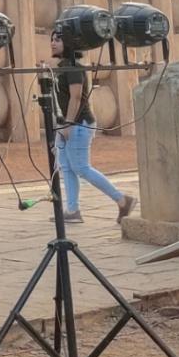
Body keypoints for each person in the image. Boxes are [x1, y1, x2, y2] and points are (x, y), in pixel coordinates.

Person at [48, 31, 136, 224]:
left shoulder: (73, 68)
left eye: (58, 39)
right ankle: (72, 210)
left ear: (69, 43)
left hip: (78, 124)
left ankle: (122, 200)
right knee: (67, 168)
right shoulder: (63, 67)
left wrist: (69, 124)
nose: (53, 43)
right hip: (68, 123)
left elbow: (76, 97)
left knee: (81, 167)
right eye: (52, 39)